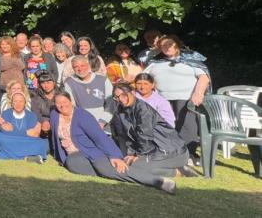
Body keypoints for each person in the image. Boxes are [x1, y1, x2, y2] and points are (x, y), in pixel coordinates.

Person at [50, 92, 177, 194]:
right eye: (58, 103)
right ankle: (153, 171)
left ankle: (159, 181)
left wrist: (114, 156)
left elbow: (99, 137)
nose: (62, 105)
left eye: (65, 101)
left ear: (71, 101)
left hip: (94, 151)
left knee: (106, 169)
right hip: (76, 155)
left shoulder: (82, 116)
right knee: (72, 164)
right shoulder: (55, 115)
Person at [144, 35, 211, 165]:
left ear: (177, 44)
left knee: (186, 126)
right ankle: (167, 152)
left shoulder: (191, 60)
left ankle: (188, 154)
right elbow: (143, 78)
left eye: (169, 44)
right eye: (163, 46)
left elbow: (204, 77)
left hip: (186, 98)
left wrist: (198, 93)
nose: (167, 47)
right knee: (164, 126)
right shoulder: (155, 62)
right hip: (161, 99)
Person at [112, 83, 196, 177]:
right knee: (127, 163)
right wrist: (131, 154)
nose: (121, 99)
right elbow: (127, 136)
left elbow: (145, 136)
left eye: (123, 95)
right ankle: (172, 167)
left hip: (173, 151)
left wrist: (139, 155)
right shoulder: (123, 111)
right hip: (154, 151)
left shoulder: (143, 110)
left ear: (132, 92)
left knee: (135, 168)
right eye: (117, 97)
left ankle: (178, 172)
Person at [0, 92, 48, 162]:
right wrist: (25, 132)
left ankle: (11, 154)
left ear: (25, 103)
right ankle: (27, 156)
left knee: (42, 143)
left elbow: (33, 135)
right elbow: (5, 131)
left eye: (21, 101)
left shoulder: (31, 115)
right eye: (15, 101)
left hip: (24, 141)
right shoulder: (6, 113)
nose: (18, 104)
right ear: (12, 103)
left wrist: (13, 130)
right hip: (12, 140)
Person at [63, 55, 113, 128]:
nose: (80, 69)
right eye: (76, 67)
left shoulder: (103, 80)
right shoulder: (69, 83)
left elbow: (110, 103)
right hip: (82, 122)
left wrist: (102, 121)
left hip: (103, 122)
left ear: (88, 65)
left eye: (82, 65)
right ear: (73, 69)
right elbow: (71, 105)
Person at [30, 70, 61, 138]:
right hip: (43, 125)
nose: (46, 85)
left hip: (59, 122)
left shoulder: (61, 95)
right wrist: (44, 121)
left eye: (48, 82)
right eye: (43, 83)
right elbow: (36, 114)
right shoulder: (35, 98)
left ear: (54, 82)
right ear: (39, 84)